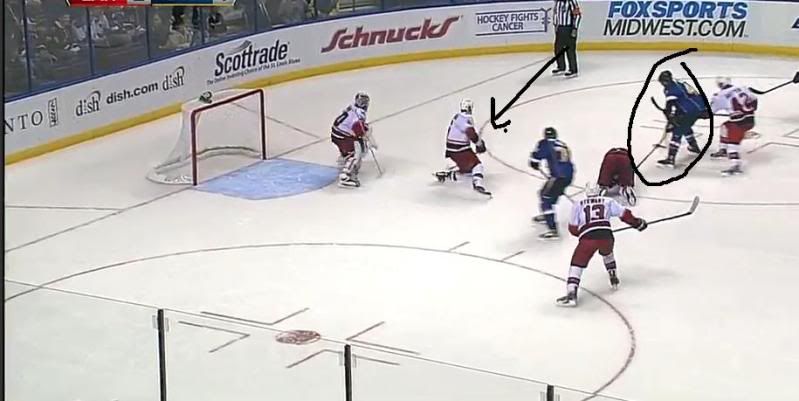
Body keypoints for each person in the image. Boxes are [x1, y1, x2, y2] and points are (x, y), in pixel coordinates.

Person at [556, 184, 648, 307]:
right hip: (606, 235)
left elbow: (573, 229)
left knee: (577, 264)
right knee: (607, 252)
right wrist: (637, 223)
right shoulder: (607, 201)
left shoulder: (578, 204)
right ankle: (613, 276)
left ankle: (571, 294)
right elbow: (624, 214)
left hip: (588, 239)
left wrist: (582, 234)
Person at [435, 99, 491, 196]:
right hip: (460, 150)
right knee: (477, 166)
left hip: (452, 149)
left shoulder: (457, 116)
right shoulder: (467, 118)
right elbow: (470, 133)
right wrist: (479, 144)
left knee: (468, 171)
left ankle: (449, 175)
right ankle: (477, 184)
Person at [656, 70, 710, 168]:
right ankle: (693, 146)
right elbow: (694, 95)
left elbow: (670, 105)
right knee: (685, 126)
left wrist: (669, 116)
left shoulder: (670, 90)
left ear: (664, 81)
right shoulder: (680, 84)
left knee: (678, 130)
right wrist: (704, 109)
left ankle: (670, 159)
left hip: (689, 112)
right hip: (698, 108)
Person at [530, 127, 574, 239]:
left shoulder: (545, 143)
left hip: (558, 177)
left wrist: (534, 163)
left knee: (545, 199)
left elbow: (536, 158)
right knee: (544, 193)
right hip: (568, 175)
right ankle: (547, 215)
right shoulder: (562, 144)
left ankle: (552, 229)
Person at [709, 77, 758, 176]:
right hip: (750, 120)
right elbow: (754, 101)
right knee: (724, 126)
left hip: (738, 123)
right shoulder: (743, 88)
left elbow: (710, 111)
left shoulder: (719, 96)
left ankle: (736, 165)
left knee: (733, 145)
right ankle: (723, 150)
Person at [331, 92, 376, 188]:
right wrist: (367, 137)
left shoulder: (352, 107)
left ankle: (343, 161)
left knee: (348, 148)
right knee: (355, 152)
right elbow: (357, 129)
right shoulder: (360, 113)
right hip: (342, 135)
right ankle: (345, 177)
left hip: (336, 132)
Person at [551, 0, 582, 78]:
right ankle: (561, 67)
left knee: (570, 49)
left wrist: (574, 28)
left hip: (569, 28)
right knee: (558, 48)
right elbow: (556, 14)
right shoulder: (557, 2)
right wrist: (556, 26)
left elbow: (578, 15)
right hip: (560, 28)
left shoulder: (571, 1)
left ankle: (573, 70)